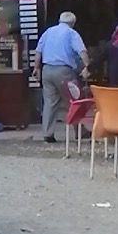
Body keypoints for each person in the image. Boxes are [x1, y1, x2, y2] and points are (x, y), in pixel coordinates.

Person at [34, 11, 88, 144]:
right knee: (75, 100)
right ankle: (80, 132)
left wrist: (37, 68)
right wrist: (87, 66)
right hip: (64, 71)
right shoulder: (71, 33)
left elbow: (38, 51)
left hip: (47, 70)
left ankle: (48, 134)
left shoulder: (48, 32)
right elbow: (82, 52)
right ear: (73, 23)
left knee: (50, 102)